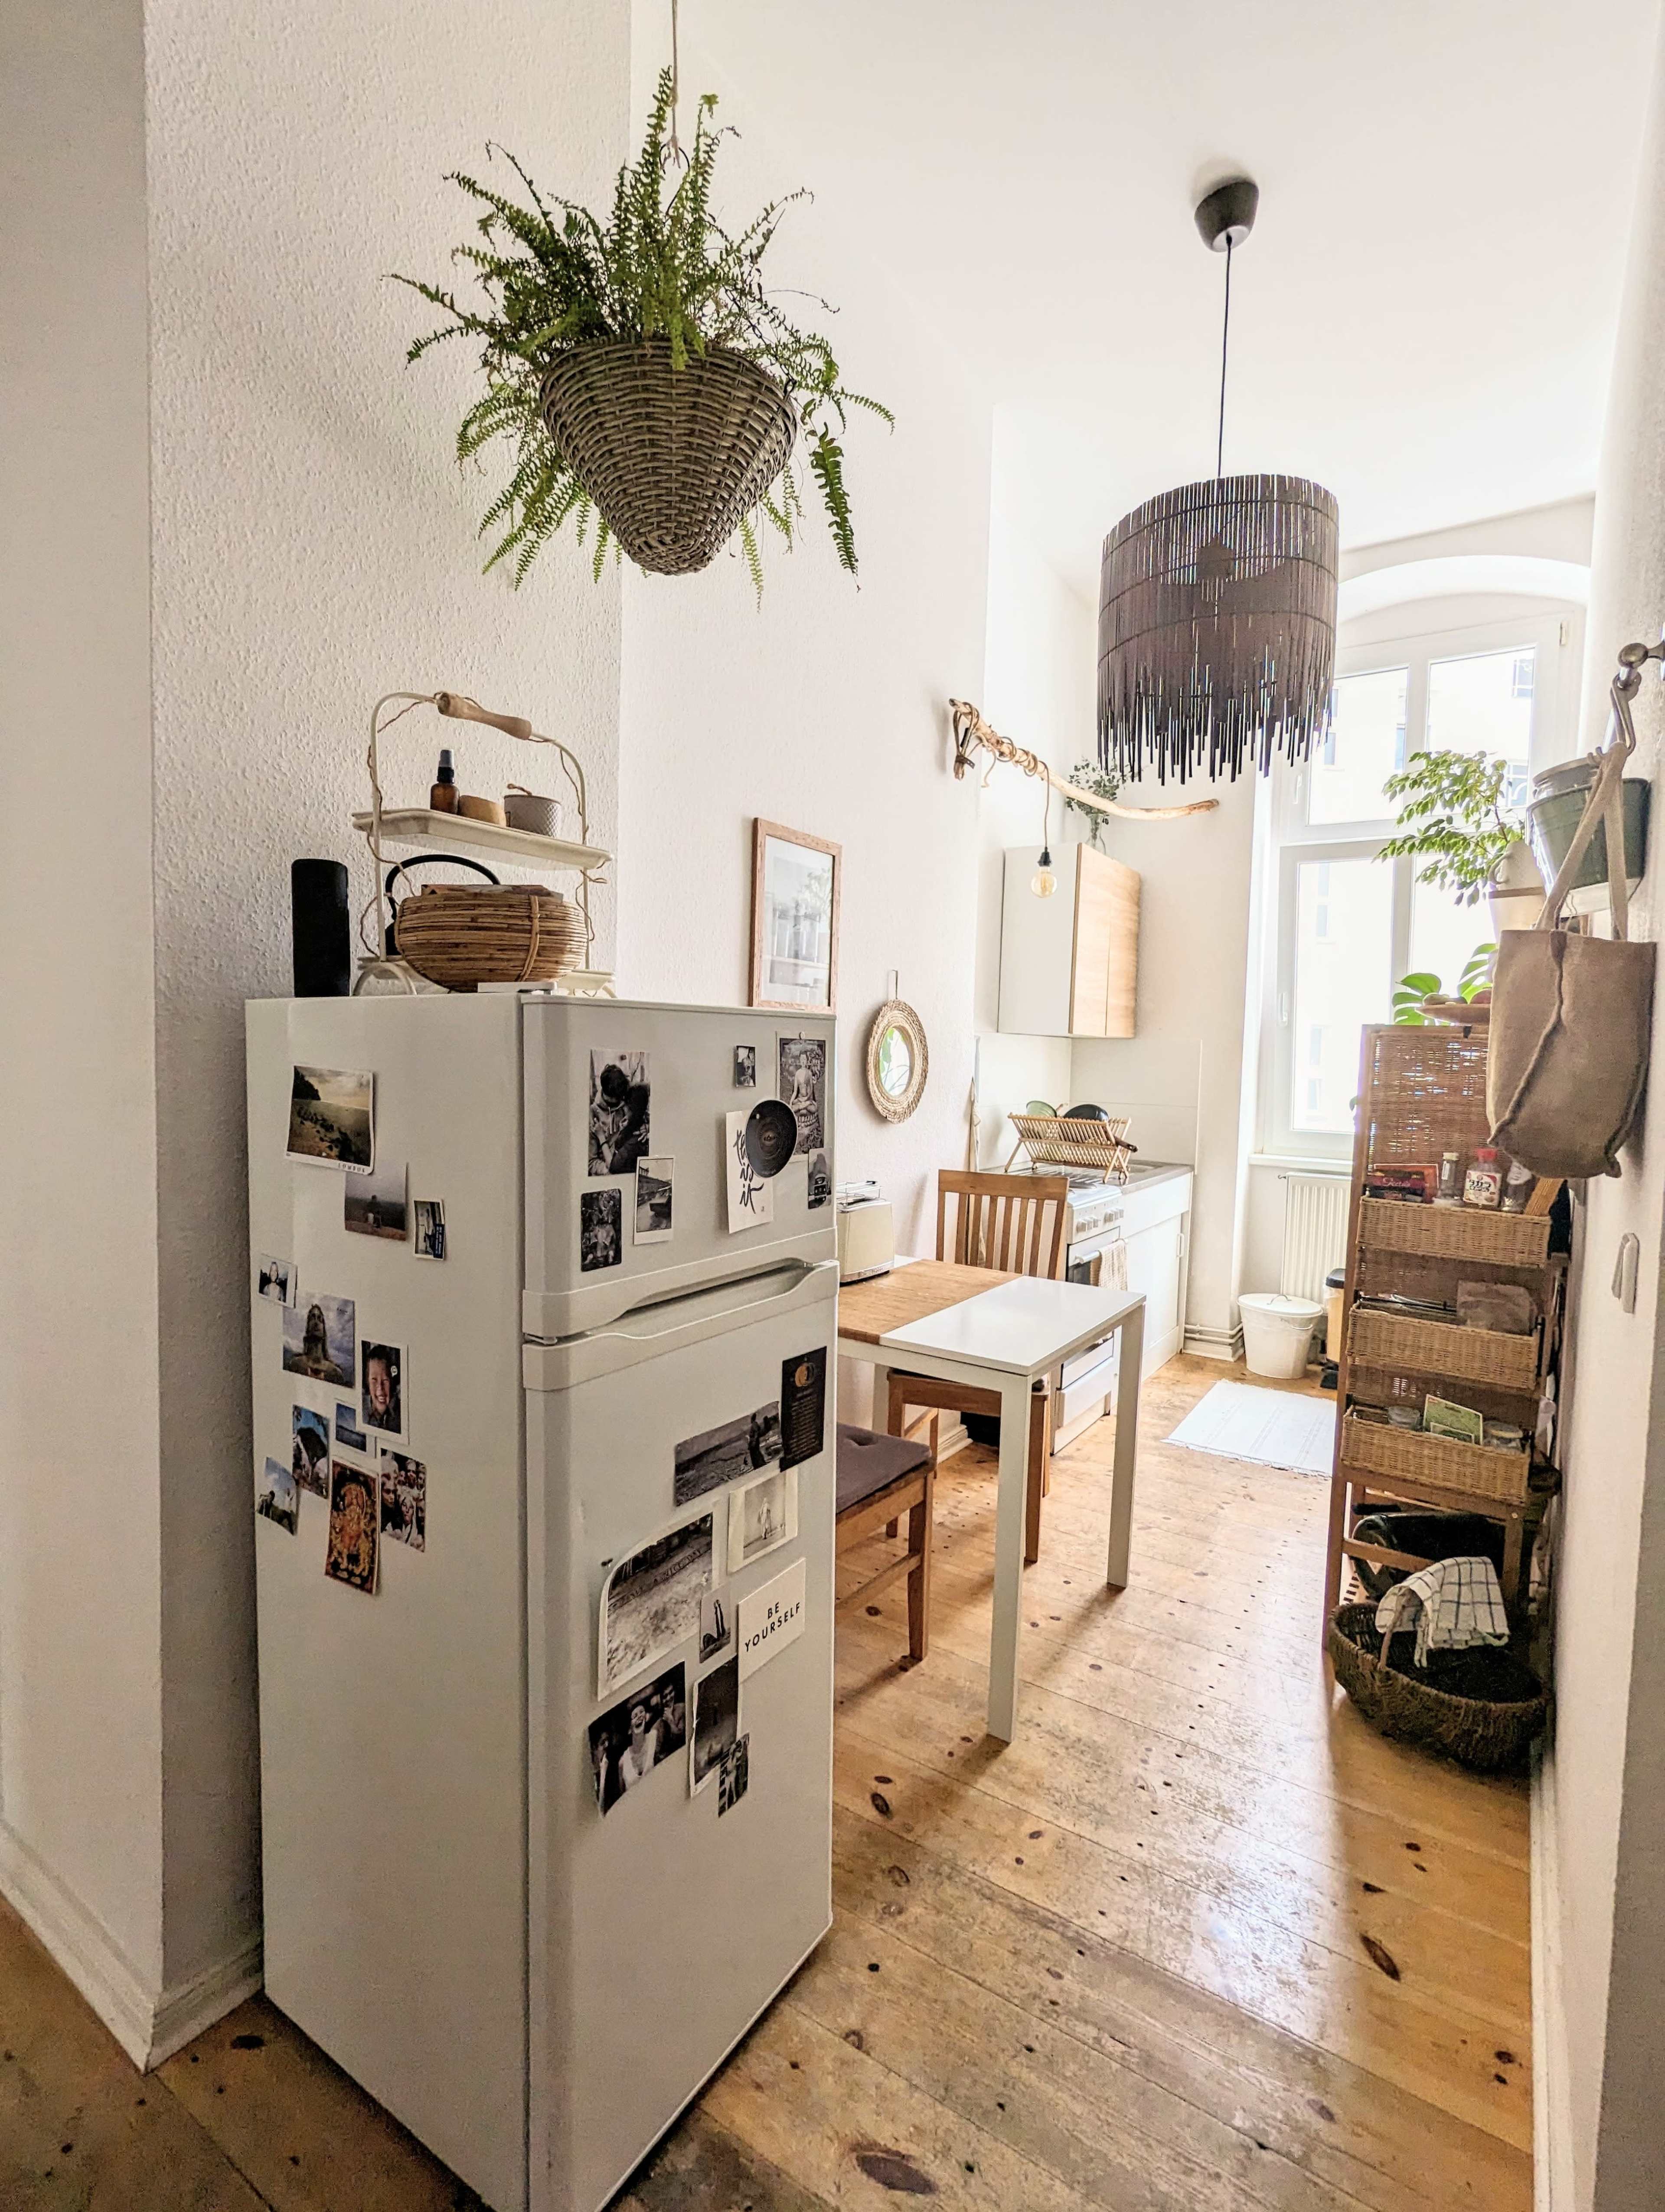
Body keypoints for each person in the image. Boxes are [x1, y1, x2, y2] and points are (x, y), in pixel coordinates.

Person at [363, 1345, 401, 1433]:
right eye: (374, 1380)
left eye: (385, 1380)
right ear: (367, 1381)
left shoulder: (400, 1417)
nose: (380, 1387)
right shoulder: (362, 1410)